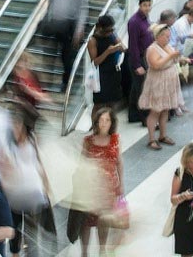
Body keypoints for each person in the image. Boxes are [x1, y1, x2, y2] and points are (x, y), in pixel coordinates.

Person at [0, 109, 52, 257]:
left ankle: (31, 253)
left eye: (18, 125)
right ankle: (15, 253)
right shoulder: (6, 144)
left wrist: (46, 188)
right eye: (13, 126)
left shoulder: (32, 140)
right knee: (14, 227)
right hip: (13, 194)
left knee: (31, 229)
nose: (15, 129)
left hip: (33, 192)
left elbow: (40, 164)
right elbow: (2, 169)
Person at [71, 107, 123, 257]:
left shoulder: (115, 140)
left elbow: (119, 162)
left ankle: (102, 249)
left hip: (108, 188)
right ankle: (85, 252)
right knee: (86, 221)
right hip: (90, 188)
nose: (104, 123)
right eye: (101, 120)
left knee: (104, 220)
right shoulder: (88, 141)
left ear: (112, 122)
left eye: (107, 120)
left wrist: (121, 183)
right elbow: (82, 162)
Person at [139, 23, 183, 150]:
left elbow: (173, 58)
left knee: (165, 109)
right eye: (166, 37)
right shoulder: (152, 49)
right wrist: (170, 56)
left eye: (169, 37)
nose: (168, 39)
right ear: (158, 37)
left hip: (169, 81)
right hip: (158, 81)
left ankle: (163, 135)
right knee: (155, 111)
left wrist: (181, 58)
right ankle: (151, 139)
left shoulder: (167, 46)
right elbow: (155, 65)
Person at [88, 14, 126, 117]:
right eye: (108, 30)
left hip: (113, 73)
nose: (110, 32)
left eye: (111, 30)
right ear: (100, 28)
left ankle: (110, 128)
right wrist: (107, 52)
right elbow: (95, 62)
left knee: (112, 103)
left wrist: (120, 47)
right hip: (100, 75)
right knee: (98, 104)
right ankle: (96, 128)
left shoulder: (112, 35)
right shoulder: (93, 40)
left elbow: (123, 47)